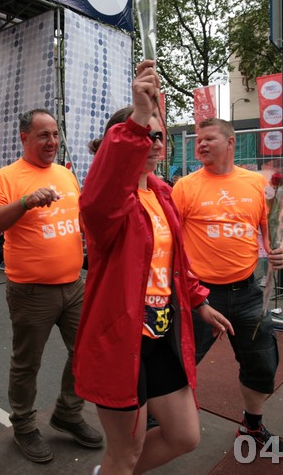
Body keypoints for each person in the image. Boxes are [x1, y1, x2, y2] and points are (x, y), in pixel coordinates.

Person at [75, 61, 233, 474]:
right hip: (120, 339)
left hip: (162, 333)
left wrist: (199, 301)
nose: (156, 142)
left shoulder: (163, 192)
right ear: (122, 141)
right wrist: (140, 115)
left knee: (185, 436)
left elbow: (174, 262)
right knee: (125, 451)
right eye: (145, 134)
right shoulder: (110, 201)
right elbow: (99, 198)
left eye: (159, 134)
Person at [0, 108, 103, 463]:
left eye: (55, 134)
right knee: (27, 363)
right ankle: (23, 425)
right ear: (24, 138)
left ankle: (67, 412)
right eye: (43, 135)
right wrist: (24, 202)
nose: (52, 141)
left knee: (87, 353)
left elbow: (81, 220)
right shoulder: (7, 177)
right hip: (31, 291)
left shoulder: (65, 174)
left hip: (74, 285)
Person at [171, 118, 283, 459]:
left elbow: (270, 229)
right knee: (179, 363)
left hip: (248, 293)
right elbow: (171, 242)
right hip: (200, 295)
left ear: (230, 143)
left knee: (262, 363)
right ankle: (158, 419)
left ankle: (252, 425)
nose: (201, 144)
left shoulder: (256, 183)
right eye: (198, 140)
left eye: (209, 138)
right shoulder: (186, 187)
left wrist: (279, 248)